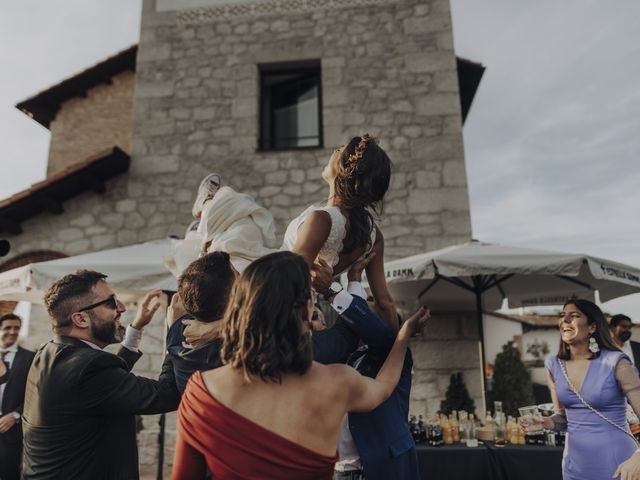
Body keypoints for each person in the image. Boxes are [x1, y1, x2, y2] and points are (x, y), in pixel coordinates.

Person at [172, 251, 429, 479]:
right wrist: (403, 337)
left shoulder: (201, 389)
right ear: (307, 311)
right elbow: (383, 387)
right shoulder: (337, 382)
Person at [22, 270, 181, 480]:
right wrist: (176, 330)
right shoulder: (89, 369)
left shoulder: (48, 353)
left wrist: (137, 327)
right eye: (111, 302)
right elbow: (167, 394)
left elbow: (107, 384)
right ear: (81, 319)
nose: (122, 308)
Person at [522, 299, 640, 480]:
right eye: (562, 316)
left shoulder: (617, 363)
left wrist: (638, 457)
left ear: (592, 327)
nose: (565, 320)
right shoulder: (553, 365)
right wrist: (545, 423)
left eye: (574, 316)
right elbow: (564, 418)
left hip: (618, 464)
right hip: (575, 468)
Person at [330, 257, 419, 480]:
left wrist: (332, 290)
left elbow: (365, 321)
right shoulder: (345, 355)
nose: (361, 318)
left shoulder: (394, 351)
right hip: (340, 470)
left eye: (369, 315)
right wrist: (354, 278)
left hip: (380, 466)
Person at [0, 313, 35, 480]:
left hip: (11, 433)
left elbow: (35, 394)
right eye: (8, 327)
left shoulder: (30, 358)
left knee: (9, 474)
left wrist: (15, 415)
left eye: (17, 328)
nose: (13, 332)